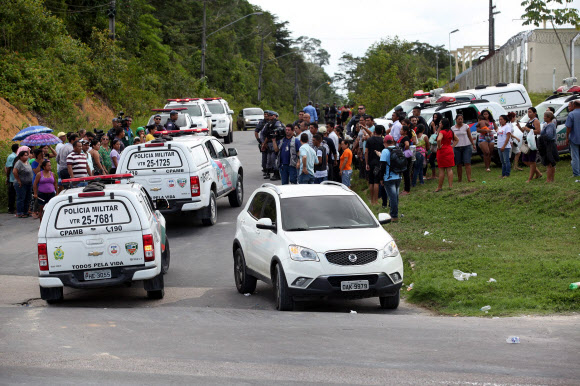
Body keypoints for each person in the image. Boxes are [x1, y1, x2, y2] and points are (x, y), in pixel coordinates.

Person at [517, 107, 542, 182]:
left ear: (534, 113)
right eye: (528, 112)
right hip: (526, 141)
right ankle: (538, 173)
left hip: (532, 142)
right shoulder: (529, 120)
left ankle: (530, 178)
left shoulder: (535, 121)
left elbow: (538, 131)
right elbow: (525, 132)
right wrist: (519, 127)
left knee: (532, 160)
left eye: (530, 112)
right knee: (525, 160)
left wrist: (528, 129)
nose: (529, 113)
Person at [379, 135, 401, 222]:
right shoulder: (398, 149)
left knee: (392, 198)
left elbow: (382, 166)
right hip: (398, 176)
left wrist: (381, 178)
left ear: (385, 143)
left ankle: (394, 216)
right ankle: (395, 213)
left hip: (389, 177)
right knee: (395, 196)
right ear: (392, 141)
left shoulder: (385, 151)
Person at [435, 118, 458, 192]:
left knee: (441, 170)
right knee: (449, 169)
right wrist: (452, 146)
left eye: (440, 123)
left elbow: (439, 139)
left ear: (443, 124)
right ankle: (450, 185)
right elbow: (457, 139)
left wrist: (438, 146)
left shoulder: (441, 132)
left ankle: (439, 187)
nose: (439, 124)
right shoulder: (451, 131)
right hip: (449, 149)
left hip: (442, 151)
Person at [451, 114, 476, 182]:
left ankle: (469, 178)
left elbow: (469, 136)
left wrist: (473, 144)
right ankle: (459, 179)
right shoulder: (452, 128)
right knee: (459, 164)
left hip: (466, 146)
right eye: (459, 119)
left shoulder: (466, 126)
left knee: (467, 162)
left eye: (461, 119)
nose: (460, 120)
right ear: (456, 120)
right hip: (457, 147)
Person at [260, 111, 283, 180]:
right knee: (269, 159)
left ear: (275, 116)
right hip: (269, 143)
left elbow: (279, 131)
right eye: (269, 115)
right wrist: (263, 143)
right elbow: (265, 133)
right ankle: (268, 172)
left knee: (274, 159)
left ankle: (277, 174)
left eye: (271, 115)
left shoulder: (277, 123)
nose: (270, 116)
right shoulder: (268, 124)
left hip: (276, 142)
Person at [365, 126, 385, 205]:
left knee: (371, 181)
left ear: (374, 131)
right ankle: (376, 200)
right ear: (382, 131)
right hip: (378, 163)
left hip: (370, 162)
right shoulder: (383, 141)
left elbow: (366, 152)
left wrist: (366, 163)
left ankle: (372, 200)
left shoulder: (369, 140)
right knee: (376, 181)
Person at [12, 149, 33, 218]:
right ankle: (20, 212)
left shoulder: (27, 162)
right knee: (21, 198)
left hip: (28, 183)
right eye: (25, 155)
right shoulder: (19, 163)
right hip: (21, 183)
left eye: (27, 155)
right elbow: (15, 172)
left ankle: (26, 211)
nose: (26, 157)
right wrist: (19, 180)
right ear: (20, 156)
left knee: (28, 197)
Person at [539, 111, 559, 183]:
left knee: (549, 163)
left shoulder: (550, 125)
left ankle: (549, 179)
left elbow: (549, 135)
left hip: (549, 145)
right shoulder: (547, 124)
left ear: (549, 117)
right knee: (551, 163)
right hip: (549, 144)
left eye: (545, 116)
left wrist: (542, 137)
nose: (543, 118)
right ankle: (551, 179)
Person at [565, 99, 580, 177]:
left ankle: (576, 173)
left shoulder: (571, 114)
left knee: (575, 156)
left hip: (574, 138)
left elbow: (568, 127)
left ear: (574, 105)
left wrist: (567, 137)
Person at [398, 126, 413, 195]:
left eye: (401, 130)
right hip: (404, 157)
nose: (400, 131)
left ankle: (407, 189)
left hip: (406, 157)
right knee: (405, 173)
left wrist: (404, 151)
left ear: (405, 131)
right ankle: (405, 189)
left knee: (406, 173)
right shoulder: (403, 137)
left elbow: (407, 144)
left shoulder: (406, 138)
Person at [5, 143, 19, 214]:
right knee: (12, 194)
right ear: (17, 149)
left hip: (13, 178)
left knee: (14, 194)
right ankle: (11, 208)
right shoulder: (13, 157)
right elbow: (8, 167)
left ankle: (13, 208)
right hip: (12, 178)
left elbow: (6, 167)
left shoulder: (12, 156)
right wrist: (7, 177)